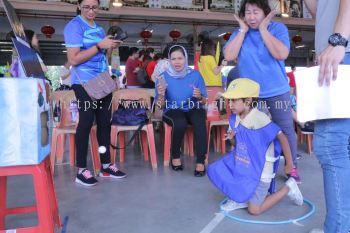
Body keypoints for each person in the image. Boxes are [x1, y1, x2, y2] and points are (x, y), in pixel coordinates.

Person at [224, 0, 300, 182]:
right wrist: (242, 31)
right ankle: (258, 169)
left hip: (277, 90)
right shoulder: (240, 32)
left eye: (255, 12)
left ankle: (292, 168)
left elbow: (281, 54)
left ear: (265, 12)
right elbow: (228, 56)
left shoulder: (278, 29)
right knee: (254, 131)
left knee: (286, 130)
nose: (251, 17)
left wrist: (264, 30)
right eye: (247, 12)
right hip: (252, 95)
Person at [208, 78, 303, 215]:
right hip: (244, 166)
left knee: (254, 210)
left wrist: (290, 164)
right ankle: (241, 198)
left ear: (248, 101)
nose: (230, 104)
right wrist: (233, 138)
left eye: (234, 100)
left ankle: (289, 187)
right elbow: (238, 145)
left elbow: (282, 138)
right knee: (220, 170)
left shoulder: (260, 118)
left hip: (260, 171)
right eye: (229, 100)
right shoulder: (234, 118)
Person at [64, 0, 126, 186]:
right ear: (79, 6)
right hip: (83, 82)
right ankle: (82, 170)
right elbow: (73, 59)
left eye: (94, 7)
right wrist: (99, 45)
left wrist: (109, 48)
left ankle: (106, 164)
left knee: (104, 123)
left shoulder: (99, 28)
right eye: (86, 7)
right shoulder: (74, 26)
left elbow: (100, 56)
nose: (91, 11)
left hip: (102, 80)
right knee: (85, 122)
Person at [303, 0, 350, 232]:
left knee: (331, 145)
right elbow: (318, 10)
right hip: (340, 50)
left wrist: (339, 39)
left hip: (344, 50)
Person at [155, 45, 208, 177]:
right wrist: (161, 95)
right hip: (172, 109)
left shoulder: (195, 75)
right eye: (173, 59)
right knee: (180, 122)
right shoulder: (162, 77)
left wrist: (200, 97)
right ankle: (175, 156)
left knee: (200, 118)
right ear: (169, 60)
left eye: (180, 58)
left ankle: (200, 161)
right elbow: (159, 106)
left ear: (185, 59)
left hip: (192, 107)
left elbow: (204, 101)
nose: (177, 62)